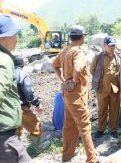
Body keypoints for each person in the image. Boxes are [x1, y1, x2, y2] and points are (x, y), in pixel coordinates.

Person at [0, 15, 32, 162]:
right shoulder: (2, 59)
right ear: (3, 37)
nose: (16, 37)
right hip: (1, 137)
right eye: (14, 33)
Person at [52, 25, 97, 163]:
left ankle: (67, 156)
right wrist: (74, 81)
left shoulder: (64, 50)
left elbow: (54, 65)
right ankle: (92, 159)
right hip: (77, 96)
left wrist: (64, 80)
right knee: (85, 127)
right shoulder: (78, 52)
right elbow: (78, 68)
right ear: (82, 37)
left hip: (67, 96)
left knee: (69, 126)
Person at [14, 55, 50, 153]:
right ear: (22, 64)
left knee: (15, 130)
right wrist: (37, 103)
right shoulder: (23, 75)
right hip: (21, 107)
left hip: (9, 108)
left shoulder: (6, 75)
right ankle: (39, 147)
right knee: (35, 126)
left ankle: (14, 151)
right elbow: (28, 92)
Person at [90, 36, 121, 139]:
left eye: (113, 45)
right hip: (102, 88)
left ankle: (113, 130)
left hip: (115, 88)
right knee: (102, 109)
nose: (112, 47)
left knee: (114, 109)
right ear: (104, 45)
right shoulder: (98, 57)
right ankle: (100, 129)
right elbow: (92, 70)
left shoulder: (118, 57)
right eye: (110, 45)